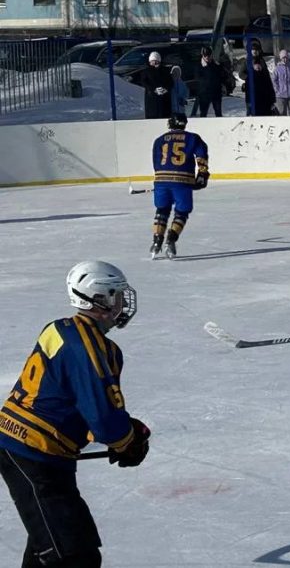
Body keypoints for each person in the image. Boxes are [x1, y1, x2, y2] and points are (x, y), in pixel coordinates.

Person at [0, 260, 150, 567]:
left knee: (52, 545)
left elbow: (73, 401)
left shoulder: (60, 328)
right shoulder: (90, 348)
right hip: (32, 453)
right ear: (102, 298)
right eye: (117, 295)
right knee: (73, 554)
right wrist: (126, 441)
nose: (123, 302)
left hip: (37, 450)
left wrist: (124, 433)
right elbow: (104, 418)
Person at [150, 114, 209, 260]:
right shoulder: (193, 138)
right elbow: (201, 156)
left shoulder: (159, 140)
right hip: (182, 180)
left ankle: (157, 240)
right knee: (182, 212)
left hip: (161, 180)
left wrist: (160, 178)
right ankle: (171, 238)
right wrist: (202, 174)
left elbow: (156, 162)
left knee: (162, 210)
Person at [193, 46, 226, 117]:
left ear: (211, 55)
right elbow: (199, 79)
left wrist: (221, 85)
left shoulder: (216, 65)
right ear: (202, 55)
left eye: (208, 55)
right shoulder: (199, 66)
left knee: (218, 113)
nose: (207, 57)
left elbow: (222, 76)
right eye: (205, 55)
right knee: (203, 113)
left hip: (216, 93)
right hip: (204, 94)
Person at [140, 51, 172, 120]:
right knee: (153, 117)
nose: (154, 63)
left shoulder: (165, 70)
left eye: (156, 61)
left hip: (164, 100)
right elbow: (143, 82)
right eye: (152, 61)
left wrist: (166, 89)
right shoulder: (146, 71)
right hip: (152, 99)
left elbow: (170, 82)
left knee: (164, 116)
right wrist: (154, 89)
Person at [245, 51, 275, 116]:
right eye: (256, 65)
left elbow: (270, 88)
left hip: (266, 103)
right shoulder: (250, 77)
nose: (258, 67)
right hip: (255, 103)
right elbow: (247, 91)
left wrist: (272, 101)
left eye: (259, 65)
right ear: (253, 66)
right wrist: (248, 102)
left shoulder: (265, 75)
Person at [272, 49, 290, 116]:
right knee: (282, 113)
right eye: (283, 58)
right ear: (281, 59)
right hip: (281, 95)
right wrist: (277, 89)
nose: (285, 59)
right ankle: (283, 126)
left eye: (286, 58)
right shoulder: (277, 69)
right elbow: (274, 80)